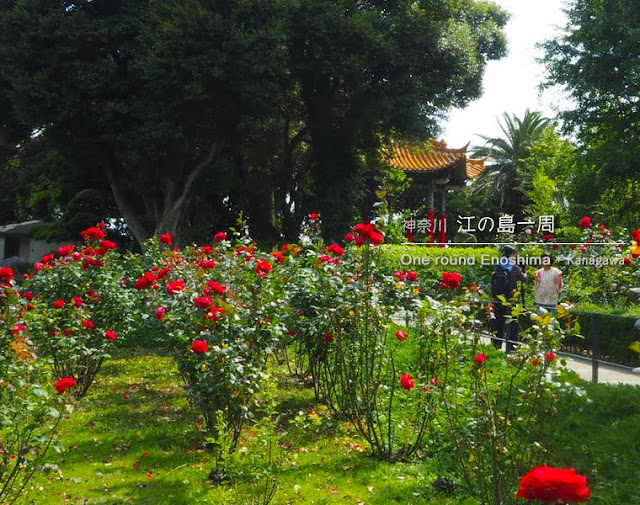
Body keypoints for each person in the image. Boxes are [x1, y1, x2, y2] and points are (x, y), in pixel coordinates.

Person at [490, 245, 527, 353]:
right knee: (512, 323)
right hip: (511, 299)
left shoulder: (497, 265)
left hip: (498, 298)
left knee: (498, 322)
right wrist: (524, 271)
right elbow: (523, 279)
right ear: (511, 254)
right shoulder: (514, 267)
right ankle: (512, 347)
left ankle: (496, 344)